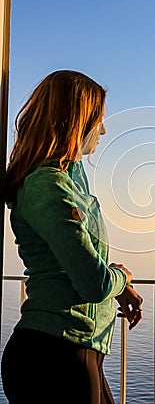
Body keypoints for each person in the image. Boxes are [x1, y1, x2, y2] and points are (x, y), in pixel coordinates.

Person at [1, 70, 143, 404]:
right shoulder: (47, 186)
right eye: (98, 119)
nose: (104, 130)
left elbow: (80, 261)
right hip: (54, 357)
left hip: (76, 351)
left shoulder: (68, 179)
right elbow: (93, 284)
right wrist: (121, 279)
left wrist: (116, 288)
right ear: (75, 122)